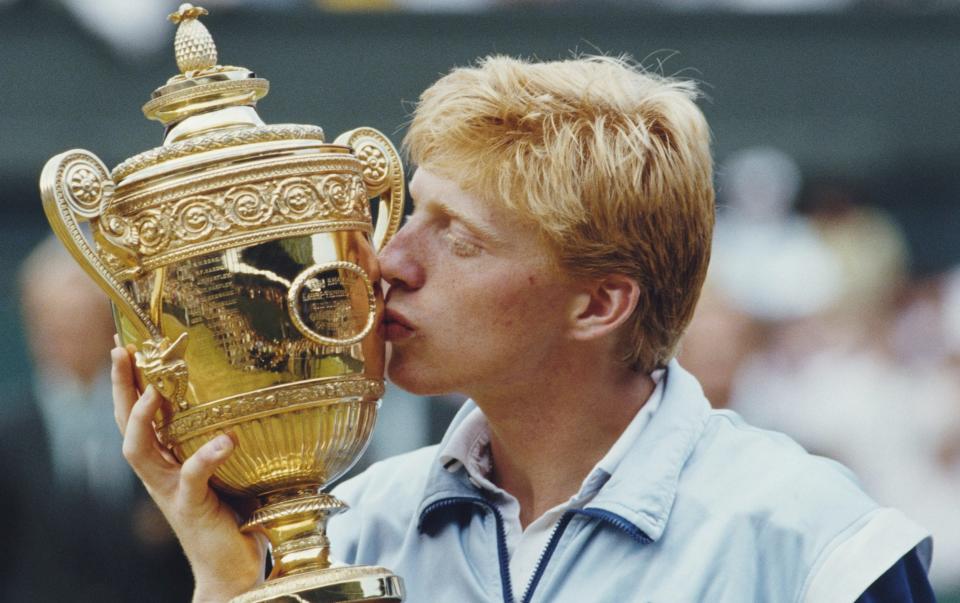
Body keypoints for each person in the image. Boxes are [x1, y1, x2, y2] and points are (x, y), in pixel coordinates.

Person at [113, 55, 934, 602]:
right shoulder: (353, 525)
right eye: (408, 214)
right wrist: (229, 581)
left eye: (458, 237)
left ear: (599, 304)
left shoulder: (815, 542)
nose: (390, 260)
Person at [1, 236, 192, 601]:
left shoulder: (161, 421)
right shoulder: (9, 434)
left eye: (79, 322)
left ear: (109, 323)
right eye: (52, 323)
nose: (65, 339)